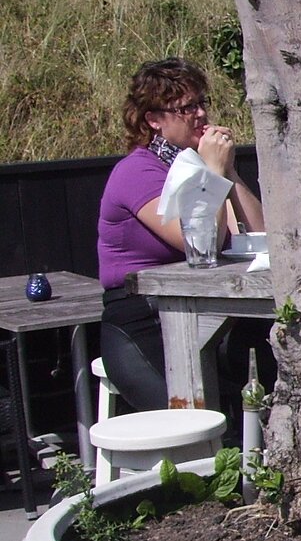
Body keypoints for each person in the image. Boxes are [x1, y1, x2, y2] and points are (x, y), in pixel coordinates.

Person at [97, 57, 268, 413]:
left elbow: (260, 235)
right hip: (143, 325)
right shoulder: (137, 172)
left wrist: (230, 173)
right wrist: (213, 171)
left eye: (202, 103)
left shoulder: (193, 166)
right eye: (187, 108)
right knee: (202, 425)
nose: (201, 114)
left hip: (202, 318)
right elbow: (200, 244)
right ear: (154, 120)